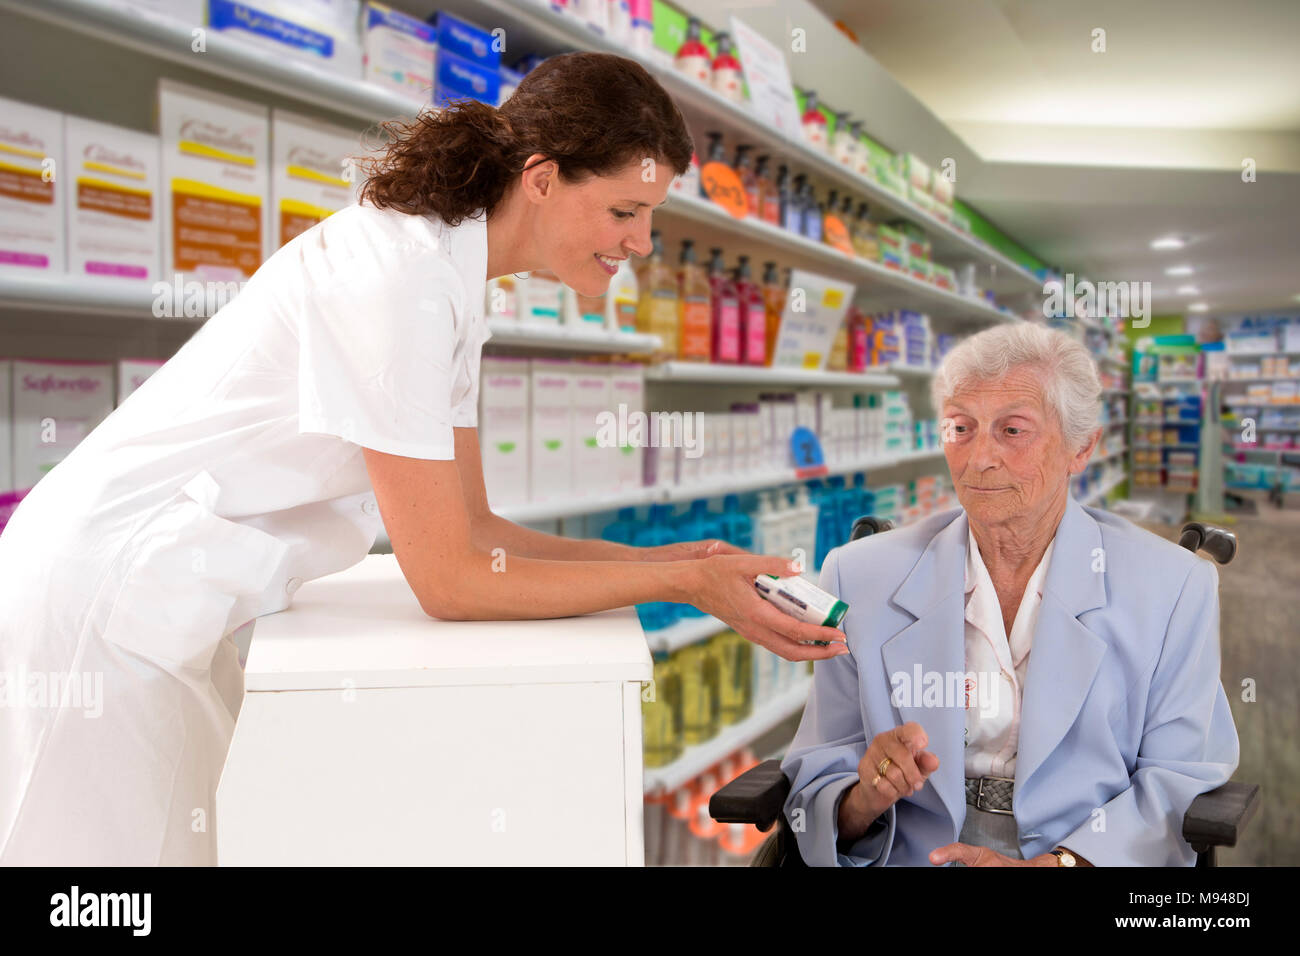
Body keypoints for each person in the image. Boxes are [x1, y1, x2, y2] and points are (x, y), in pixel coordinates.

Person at [0, 52, 846, 867]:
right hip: (99, 602)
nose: (644, 243)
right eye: (626, 212)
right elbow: (450, 580)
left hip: (163, 605)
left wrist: (675, 559)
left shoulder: (449, 275)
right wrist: (681, 586)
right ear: (543, 178)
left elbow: (478, 530)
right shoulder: (402, 277)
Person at [781, 323, 1239, 866]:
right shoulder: (858, 576)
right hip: (908, 853)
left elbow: (1179, 777)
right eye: (961, 428)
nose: (978, 458)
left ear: (1081, 448)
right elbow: (817, 778)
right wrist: (864, 798)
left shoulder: (1172, 585)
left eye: (1012, 430)